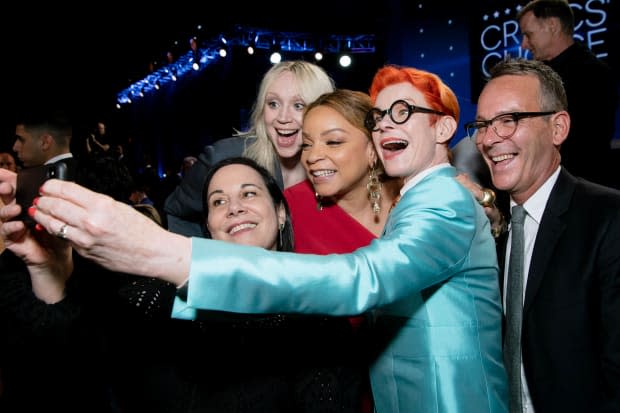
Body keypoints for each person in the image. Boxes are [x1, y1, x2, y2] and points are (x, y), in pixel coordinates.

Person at [16, 65, 509, 412]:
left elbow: (365, 277)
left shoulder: (435, 200)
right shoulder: (309, 214)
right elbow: (92, 332)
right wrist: (57, 268)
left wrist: (168, 252)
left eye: (402, 114)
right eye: (381, 118)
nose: (235, 210)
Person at [464, 58, 620, 412]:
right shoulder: (490, 231)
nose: (489, 139)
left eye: (509, 120)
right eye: (484, 124)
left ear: (558, 128)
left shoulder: (607, 219)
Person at [164, 60, 335, 236]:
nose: (283, 117)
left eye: (298, 105)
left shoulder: (333, 170)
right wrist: (209, 257)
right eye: (273, 104)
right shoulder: (223, 158)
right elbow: (177, 213)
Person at [517, 0, 619, 188]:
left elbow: (586, 145)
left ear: (553, 26)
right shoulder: (536, 75)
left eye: (528, 34)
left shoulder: (594, 74)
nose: (524, 44)